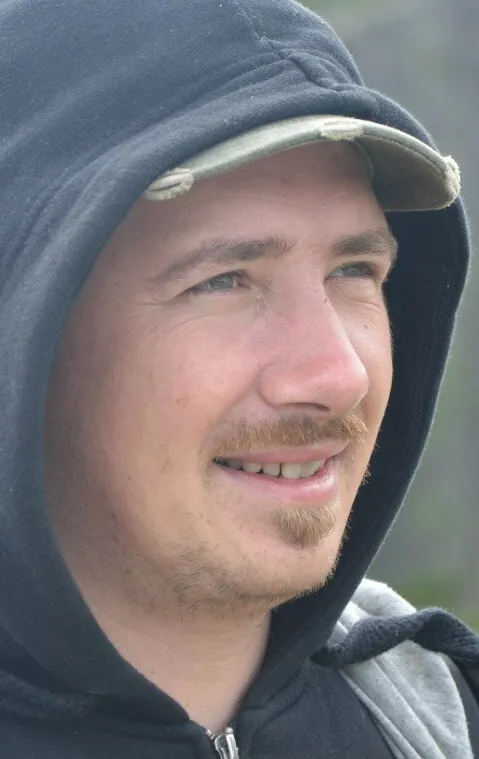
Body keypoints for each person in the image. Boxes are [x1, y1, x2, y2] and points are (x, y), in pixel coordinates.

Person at [1, 0, 479, 756]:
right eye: (223, 280)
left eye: (354, 269)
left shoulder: (441, 710)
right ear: (26, 328)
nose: (339, 375)